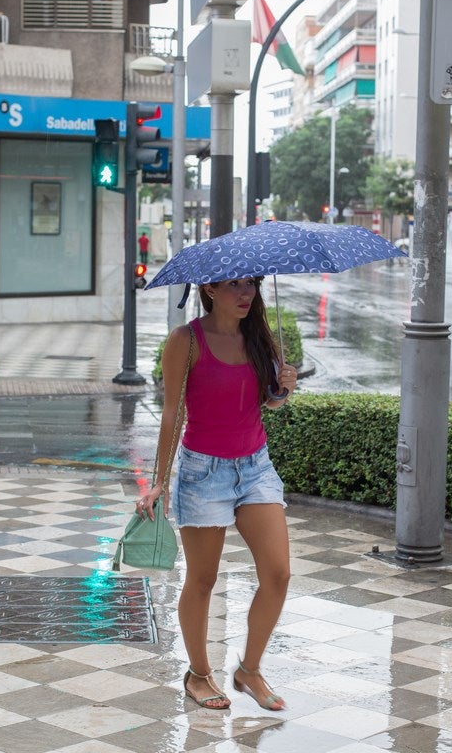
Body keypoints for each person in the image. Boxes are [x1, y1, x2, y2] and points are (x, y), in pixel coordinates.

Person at [137, 276, 298, 712]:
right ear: (209, 290)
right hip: (203, 471)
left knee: (278, 573)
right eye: (234, 285)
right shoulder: (185, 341)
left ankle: (249, 670)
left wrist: (284, 386)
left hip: (255, 467)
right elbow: (173, 412)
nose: (245, 294)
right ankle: (199, 674)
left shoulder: (259, 337)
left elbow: (268, 402)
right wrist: (158, 480)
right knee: (203, 579)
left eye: (251, 284)